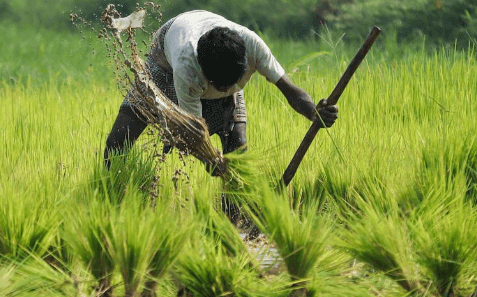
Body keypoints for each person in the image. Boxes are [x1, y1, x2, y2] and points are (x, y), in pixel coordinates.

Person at [103, 10, 338, 175]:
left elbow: (291, 91)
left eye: (232, 84)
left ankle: (233, 221)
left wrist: (314, 113)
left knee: (238, 158)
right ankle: (110, 196)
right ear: (204, 72)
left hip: (214, 61)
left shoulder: (252, 47)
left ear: (244, 65)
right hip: (165, 62)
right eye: (220, 85)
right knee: (118, 141)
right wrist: (209, 158)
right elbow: (194, 131)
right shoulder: (187, 68)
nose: (226, 91)